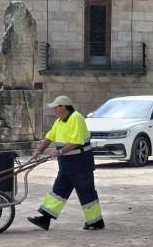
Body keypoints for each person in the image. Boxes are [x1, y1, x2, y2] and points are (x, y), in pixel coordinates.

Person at [28, 95, 105, 231]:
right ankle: (45, 219)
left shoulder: (76, 118)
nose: (54, 111)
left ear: (63, 107)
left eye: (55, 108)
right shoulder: (59, 121)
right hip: (67, 164)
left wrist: (59, 152)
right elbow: (49, 137)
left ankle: (96, 222)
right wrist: (39, 150)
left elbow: (76, 142)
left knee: (85, 191)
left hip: (80, 163)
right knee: (59, 191)